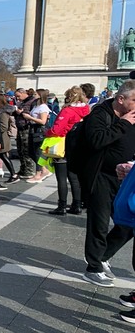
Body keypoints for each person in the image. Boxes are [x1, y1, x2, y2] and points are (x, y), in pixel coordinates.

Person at [81, 80, 135, 286]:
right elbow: (97, 140)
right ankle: (93, 267)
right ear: (121, 99)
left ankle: (103, 255)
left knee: (128, 221)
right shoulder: (100, 114)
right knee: (99, 222)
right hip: (100, 175)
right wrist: (124, 124)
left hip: (126, 176)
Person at [42, 86, 89, 215]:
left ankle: (61, 205)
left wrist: (48, 132)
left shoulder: (67, 111)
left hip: (63, 145)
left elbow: (57, 129)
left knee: (61, 178)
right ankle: (77, 205)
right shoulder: (86, 110)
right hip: (78, 147)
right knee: (74, 178)